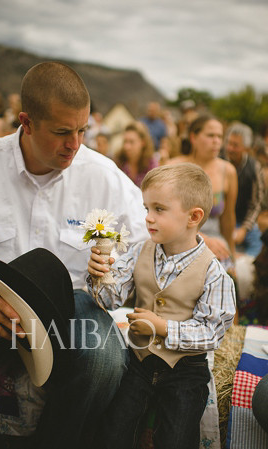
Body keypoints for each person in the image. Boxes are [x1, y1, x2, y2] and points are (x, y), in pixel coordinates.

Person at [0, 61, 148, 449]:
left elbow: (140, 248)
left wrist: (112, 272)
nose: (75, 144)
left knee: (103, 358)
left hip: (72, 310)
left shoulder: (105, 178)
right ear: (26, 122)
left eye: (82, 130)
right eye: (62, 132)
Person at [88, 163, 236, 449]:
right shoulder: (139, 251)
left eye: (159, 209)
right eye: (146, 208)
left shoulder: (213, 272)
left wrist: (163, 327)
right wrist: (100, 275)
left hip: (185, 369)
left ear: (194, 217)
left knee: (177, 437)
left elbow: (212, 333)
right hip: (140, 362)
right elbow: (111, 300)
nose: (148, 218)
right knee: (114, 429)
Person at [168, 116, 238, 269]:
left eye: (220, 136)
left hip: (216, 240)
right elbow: (165, 213)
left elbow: (228, 219)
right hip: (177, 239)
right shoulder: (173, 167)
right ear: (193, 137)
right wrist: (201, 238)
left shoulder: (228, 171)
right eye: (210, 135)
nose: (216, 141)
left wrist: (232, 254)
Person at [224, 121, 265, 257]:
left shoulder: (254, 167)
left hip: (244, 221)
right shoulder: (220, 162)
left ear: (246, 148)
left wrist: (244, 228)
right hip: (223, 220)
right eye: (229, 143)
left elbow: (256, 203)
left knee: (257, 249)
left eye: (235, 145)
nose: (230, 148)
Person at [116, 121, 158, 187]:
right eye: (125, 141)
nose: (127, 147)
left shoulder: (151, 164)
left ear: (143, 142)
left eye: (131, 142)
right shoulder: (118, 162)